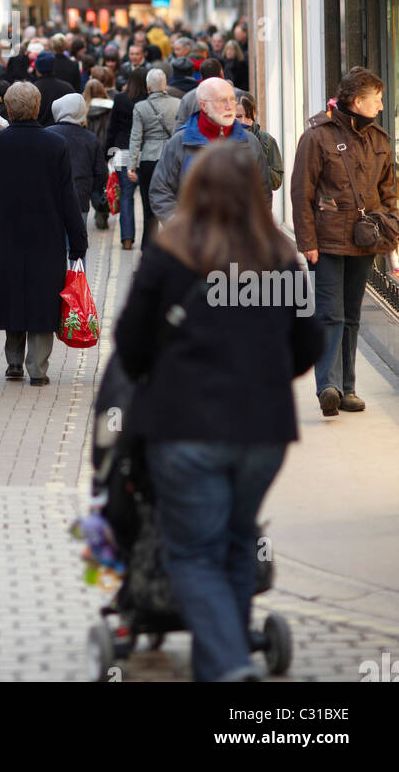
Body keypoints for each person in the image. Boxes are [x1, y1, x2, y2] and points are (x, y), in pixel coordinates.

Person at [114, 141, 322, 682]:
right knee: (234, 543)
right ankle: (222, 666)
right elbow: (309, 343)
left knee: (196, 551)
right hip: (263, 432)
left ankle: (229, 667)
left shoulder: (170, 254)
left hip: (184, 427)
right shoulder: (282, 259)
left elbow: (130, 341)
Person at [0, 82, 87, 385]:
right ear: (38, 108)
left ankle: (13, 362)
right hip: (47, 235)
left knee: (12, 293)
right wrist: (78, 241)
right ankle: (37, 368)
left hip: (6, 233)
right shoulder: (55, 146)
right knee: (43, 296)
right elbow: (68, 197)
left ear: (8, 109)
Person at [290, 67, 399, 417]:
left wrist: (390, 224)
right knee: (330, 313)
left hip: (365, 240)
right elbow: (301, 192)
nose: (381, 106)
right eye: (377, 100)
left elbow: (389, 191)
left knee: (352, 315)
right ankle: (328, 387)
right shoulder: (317, 137)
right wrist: (307, 240)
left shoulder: (379, 139)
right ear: (357, 101)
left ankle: (347, 388)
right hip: (326, 242)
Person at [148, 77, 271, 225]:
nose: (229, 106)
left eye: (232, 100)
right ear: (204, 106)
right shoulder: (179, 142)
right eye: (222, 101)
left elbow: (263, 191)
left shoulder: (250, 142)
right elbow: (160, 190)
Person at [128, 68, 181, 248]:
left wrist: (131, 166)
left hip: (149, 160)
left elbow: (136, 137)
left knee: (149, 206)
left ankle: (148, 248)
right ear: (165, 84)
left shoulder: (140, 107)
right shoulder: (178, 104)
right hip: (172, 159)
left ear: (148, 86)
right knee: (173, 203)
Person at [46, 93, 106, 233]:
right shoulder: (91, 138)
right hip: (80, 197)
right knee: (77, 244)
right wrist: (88, 188)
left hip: (51, 198)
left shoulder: (47, 135)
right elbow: (101, 173)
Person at [107, 68, 148, 250]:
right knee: (148, 197)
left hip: (123, 152)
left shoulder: (121, 99)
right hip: (145, 152)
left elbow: (112, 127)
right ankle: (150, 239)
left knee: (126, 196)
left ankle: (127, 238)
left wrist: (106, 152)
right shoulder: (148, 101)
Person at [236, 94, 283, 191]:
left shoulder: (267, 140)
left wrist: (259, 164)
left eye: (248, 116)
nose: (243, 121)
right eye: (238, 116)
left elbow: (277, 182)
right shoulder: (223, 140)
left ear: (254, 114)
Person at [173, 57, 223, 129]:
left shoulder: (189, 97)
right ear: (221, 73)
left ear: (201, 76)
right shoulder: (234, 94)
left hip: (197, 137)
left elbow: (180, 124)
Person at [30, 49, 74, 126]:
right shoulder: (67, 88)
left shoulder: (31, 90)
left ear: (37, 69)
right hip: (61, 133)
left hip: (38, 134)